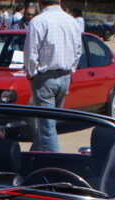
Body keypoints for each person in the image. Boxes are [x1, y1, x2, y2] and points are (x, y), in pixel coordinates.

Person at [23, 0, 80, 152]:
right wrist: (70, 70)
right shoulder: (71, 21)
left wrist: (31, 72)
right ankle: (33, 157)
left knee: (47, 128)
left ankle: (54, 164)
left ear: (40, 2)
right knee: (48, 124)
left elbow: (31, 52)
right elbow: (77, 51)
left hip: (44, 78)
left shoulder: (38, 22)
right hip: (64, 76)